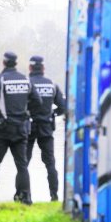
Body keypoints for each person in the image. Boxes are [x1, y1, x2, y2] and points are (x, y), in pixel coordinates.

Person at [0, 51, 42, 205]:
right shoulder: (26, 80)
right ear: (15, 63)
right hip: (21, 128)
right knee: (22, 165)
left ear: (4, 62)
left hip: (2, 130)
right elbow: (38, 101)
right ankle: (25, 198)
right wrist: (27, 113)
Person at [23, 56, 65, 201]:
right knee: (50, 163)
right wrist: (52, 113)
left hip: (28, 127)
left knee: (24, 163)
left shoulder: (25, 84)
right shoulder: (52, 85)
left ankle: (24, 195)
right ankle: (54, 195)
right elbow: (64, 107)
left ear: (30, 68)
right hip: (47, 127)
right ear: (43, 68)